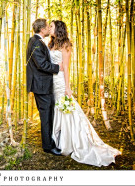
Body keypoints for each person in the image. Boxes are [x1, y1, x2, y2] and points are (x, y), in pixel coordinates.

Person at [48, 20, 121, 166]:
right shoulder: (51, 44)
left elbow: (67, 68)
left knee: (66, 109)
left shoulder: (66, 45)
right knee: (56, 108)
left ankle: (70, 141)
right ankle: (57, 138)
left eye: (51, 26)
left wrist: (68, 87)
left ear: (59, 28)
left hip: (61, 81)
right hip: (51, 81)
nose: (49, 28)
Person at [26, 18, 63, 156]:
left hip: (43, 84)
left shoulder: (37, 41)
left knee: (48, 114)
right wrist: (58, 67)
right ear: (42, 29)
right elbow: (41, 64)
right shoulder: (35, 42)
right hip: (41, 86)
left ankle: (50, 141)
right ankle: (48, 146)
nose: (49, 29)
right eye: (48, 27)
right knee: (46, 115)